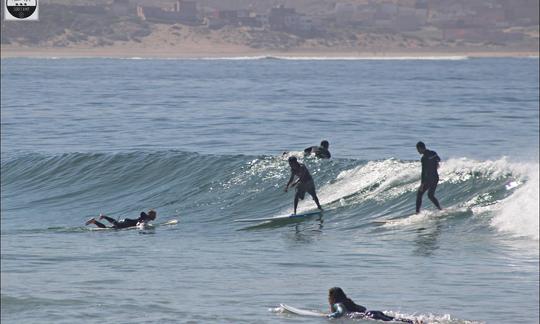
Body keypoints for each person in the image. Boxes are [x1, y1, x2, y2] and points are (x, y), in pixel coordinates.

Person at [327, 287, 416, 323]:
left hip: (369, 315)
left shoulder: (337, 304)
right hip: (372, 312)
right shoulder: (348, 302)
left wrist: (329, 316)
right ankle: (412, 321)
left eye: (329, 296)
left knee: (392, 321)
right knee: (395, 319)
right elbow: (363, 308)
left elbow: (340, 312)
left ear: (333, 297)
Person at [416, 141, 442, 214]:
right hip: (436, 178)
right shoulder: (433, 153)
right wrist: (436, 163)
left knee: (419, 194)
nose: (418, 151)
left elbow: (423, 172)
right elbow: (438, 159)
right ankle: (440, 209)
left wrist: (422, 184)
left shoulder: (423, 158)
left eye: (418, 149)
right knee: (430, 195)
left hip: (429, 178)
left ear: (421, 148)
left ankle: (417, 213)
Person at [85, 210, 157, 229]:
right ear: (151, 215)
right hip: (127, 223)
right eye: (154, 215)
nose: (155, 217)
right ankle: (104, 216)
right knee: (117, 224)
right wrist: (140, 224)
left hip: (127, 223)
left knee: (108, 228)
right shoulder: (145, 217)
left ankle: (94, 221)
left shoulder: (146, 218)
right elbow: (142, 215)